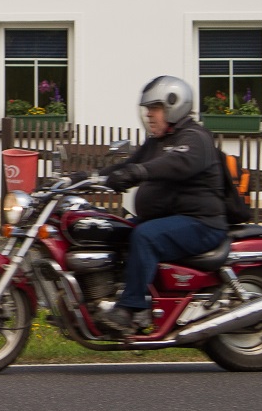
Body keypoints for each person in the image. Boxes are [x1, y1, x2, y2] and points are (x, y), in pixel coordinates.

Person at [97, 75, 229, 334]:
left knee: (145, 236)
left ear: (174, 105)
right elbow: (125, 167)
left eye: (154, 108)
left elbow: (174, 163)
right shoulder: (158, 142)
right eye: (147, 109)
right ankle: (114, 296)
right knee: (112, 229)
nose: (149, 115)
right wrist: (85, 178)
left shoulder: (195, 138)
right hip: (169, 219)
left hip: (201, 223)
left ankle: (129, 309)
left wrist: (137, 173)